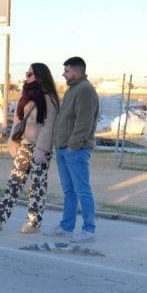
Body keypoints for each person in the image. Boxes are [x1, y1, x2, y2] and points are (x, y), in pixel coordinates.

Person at [0, 63, 60, 232]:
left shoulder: (48, 98)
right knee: (14, 182)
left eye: (30, 74)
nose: (26, 77)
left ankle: (33, 223)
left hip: (39, 148)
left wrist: (42, 149)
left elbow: (49, 125)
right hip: (25, 144)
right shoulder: (25, 95)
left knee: (37, 185)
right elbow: (17, 121)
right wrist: (13, 142)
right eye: (26, 73)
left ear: (39, 76)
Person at [48, 56, 99, 242]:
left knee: (82, 190)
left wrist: (73, 145)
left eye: (67, 71)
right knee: (69, 190)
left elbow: (84, 121)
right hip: (64, 148)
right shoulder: (73, 89)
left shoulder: (85, 90)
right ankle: (66, 226)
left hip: (76, 150)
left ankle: (89, 229)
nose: (64, 74)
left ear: (77, 71)